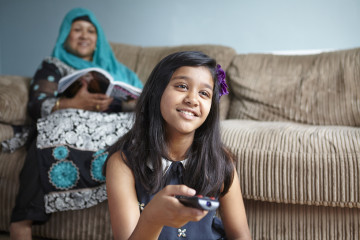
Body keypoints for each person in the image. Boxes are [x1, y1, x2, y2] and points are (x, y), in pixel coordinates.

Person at [9, 7, 143, 240]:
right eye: (77, 30)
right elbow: (36, 105)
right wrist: (71, 103)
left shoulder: (119, 70)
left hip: (111, 127)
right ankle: (22, 223)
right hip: (68, 124)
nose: (84, 35)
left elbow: (142, 103)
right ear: (65, 35)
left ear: (98, 38)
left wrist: (130, 101)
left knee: (141, 129)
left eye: (91, 31)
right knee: (47, 131)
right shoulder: (53, 65)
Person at [105, 51, 252, 239]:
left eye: (204, 93)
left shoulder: (220, 160)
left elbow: (241, 236)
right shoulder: (123, 163)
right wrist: (152, 218)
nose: (192, 99)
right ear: (157, 91)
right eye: (182, 86)